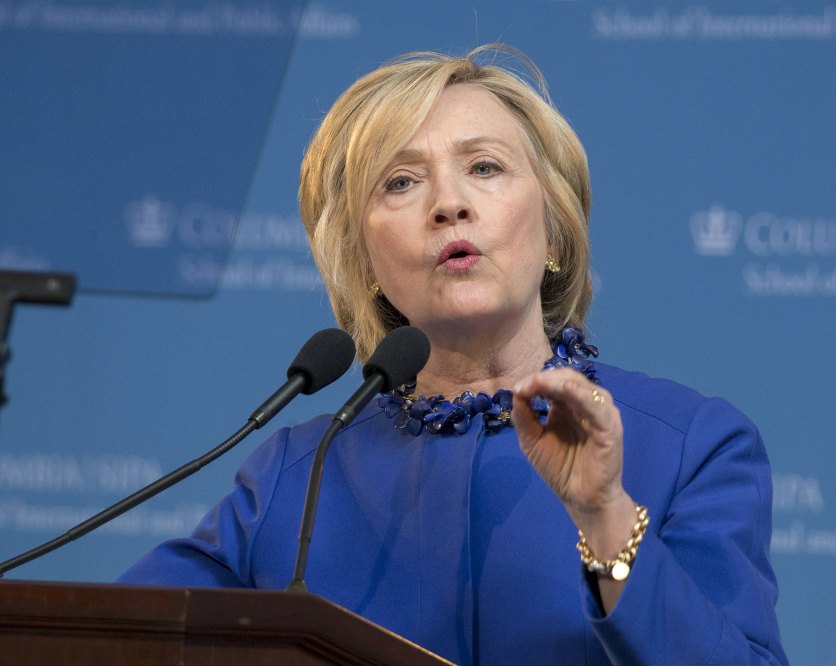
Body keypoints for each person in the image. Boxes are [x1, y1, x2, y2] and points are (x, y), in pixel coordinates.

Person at [120, 45, 788, 665]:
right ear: (367, 261)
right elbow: (110, 637)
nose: (448, 205)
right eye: (401, 182)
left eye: (484, 167)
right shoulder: (294, 478)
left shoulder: (689, 444)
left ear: (554, 226)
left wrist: (607, 515)